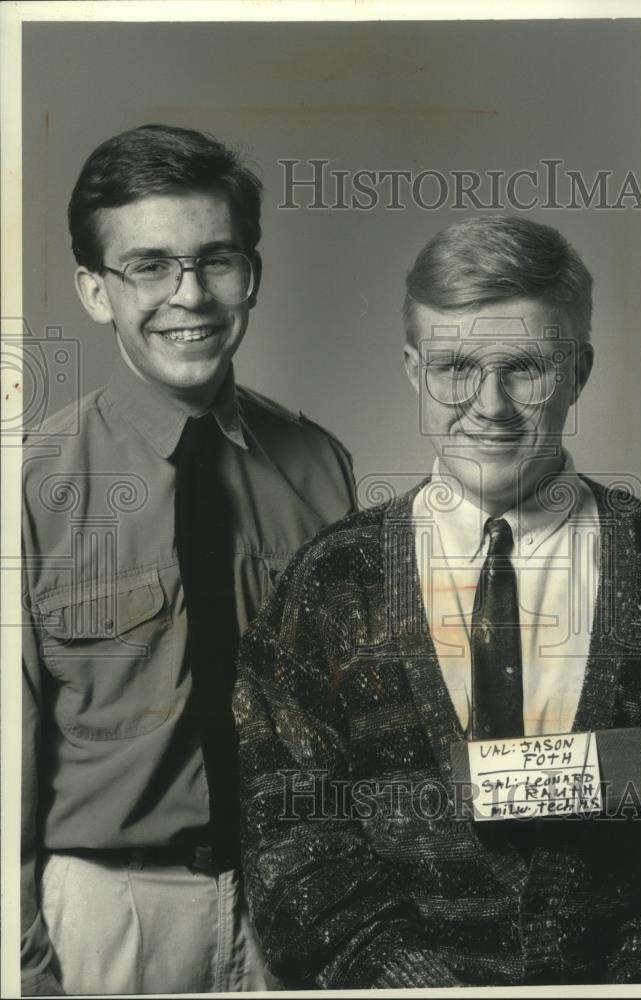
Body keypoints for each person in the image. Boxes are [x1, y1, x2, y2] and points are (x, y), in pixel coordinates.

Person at [234, 215, 641, 988]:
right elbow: (291, 835)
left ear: (581, 370)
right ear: (413, 369)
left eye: (525, 367)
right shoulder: (328, 582)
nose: (489, 405)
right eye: (455, 367)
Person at [21, 124, 356, 996]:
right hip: (109, 911)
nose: (190, 296)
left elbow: (351, 721)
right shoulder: (29, 485)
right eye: (149, 266)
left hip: (296, 904)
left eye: (216, 261)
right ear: (95, 290)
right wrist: (22, 966)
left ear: (253, 275)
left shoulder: (320, 467)